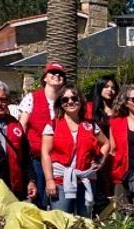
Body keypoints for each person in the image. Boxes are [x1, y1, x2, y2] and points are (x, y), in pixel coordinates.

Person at [41, 84, 110, 216]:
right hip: (60, 180)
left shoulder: (90, 125)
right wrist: (49, 180)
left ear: (80, 100)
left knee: (84, 220)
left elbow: (106, 143)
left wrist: (100, 159)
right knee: (62, 220)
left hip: (86, 179)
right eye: (65, 100)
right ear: (60, 104)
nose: (70, 102)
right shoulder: (52, 125)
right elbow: (45, 154)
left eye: (74, 98)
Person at [18, 62, 67, 207]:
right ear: (45, 78)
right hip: (37, 158)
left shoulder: (68, 100)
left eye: (61, 74)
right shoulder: (31, 98)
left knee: (60, 199)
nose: (57, 76)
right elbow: (22, 127)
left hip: (61, 159)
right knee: (40, 199)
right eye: (53, 73)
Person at [88, 75, 120, 214]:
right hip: (98, 156)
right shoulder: (90, 108)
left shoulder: (119, 110)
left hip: (115, 156)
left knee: (113, 193)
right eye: (106, 87)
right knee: (98, 193)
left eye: (113, 88)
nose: (110, 90)